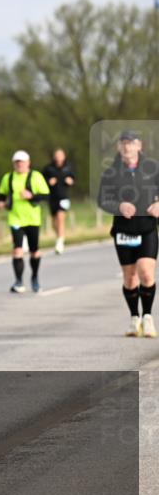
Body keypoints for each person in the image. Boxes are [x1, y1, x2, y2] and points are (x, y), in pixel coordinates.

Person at [97, 129, 159, 338]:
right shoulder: (110, 172)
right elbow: (102, 200)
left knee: (146, 272)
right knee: (130, 277)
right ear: (118, 147)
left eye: (131, 143)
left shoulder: (152, 168)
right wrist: (119, 205)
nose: (127, 146)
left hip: (147, 227)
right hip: (124, 230)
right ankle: (135, 318)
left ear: (139, 146)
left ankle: (148, 317)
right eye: (123, 142)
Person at [0, 150, 50, 293]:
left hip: (33, 219)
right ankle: (19, 281)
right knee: (17, 250)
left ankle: (35, 278)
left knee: (34, 251)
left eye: (22, 162)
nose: (19, 164)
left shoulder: (36, 176)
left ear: (28, 163)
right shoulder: (8, 178)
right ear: (14, 164)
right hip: (15, 218)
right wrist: (1, 202)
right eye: (17, 162)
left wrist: (31, 196)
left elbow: (45, 195)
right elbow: (1, 193)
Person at [42, 149, 76, 254]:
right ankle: (59, 237)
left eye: (60, 155)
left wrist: (71, 181)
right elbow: (41, 180)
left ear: (64, 156)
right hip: (52, 198)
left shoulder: (68, 167)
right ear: (54, 157)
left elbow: (74, 178)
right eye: (56, 155)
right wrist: (48, 182)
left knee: (61, 218)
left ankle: (60, 242)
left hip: (64, 197)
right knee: (54, 221)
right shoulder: (48, 168)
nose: (58, 157)